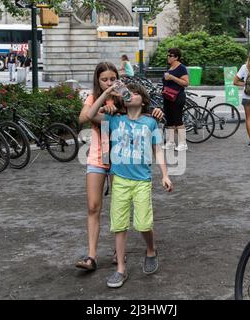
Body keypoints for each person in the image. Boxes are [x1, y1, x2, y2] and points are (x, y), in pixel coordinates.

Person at [76, 62, 163, 272]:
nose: (109, 82)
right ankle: (91, 256)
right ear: (97, 80)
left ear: (118, 78)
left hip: (120, 159)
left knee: (120, 207)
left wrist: (156, 112)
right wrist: (104, 100)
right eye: (104, 79)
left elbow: (142, 111)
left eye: (112, 79)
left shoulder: (125, 96)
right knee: (93, 206)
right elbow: (83, 118)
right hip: (98, 156)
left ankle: (118, 252)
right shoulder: (93, 97)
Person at [85, 81, 173, 288]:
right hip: (120, 181)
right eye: (128, 93)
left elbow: (158, 149)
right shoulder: (114, 120)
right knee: (119, 225)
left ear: (143, 101)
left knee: (143, 224)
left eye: (135, 93)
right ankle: (120, 269)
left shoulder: (150, 123)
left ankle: (151, 249)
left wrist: (165, 175)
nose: (131, 95)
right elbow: (90, 115)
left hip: (142, 180)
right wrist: (107, 92)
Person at [162, 48, 189, 151]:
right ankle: (171, 142)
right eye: (168, 55)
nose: (168, 57)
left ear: (176, 57)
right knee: (169, 120)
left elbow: (186, 83)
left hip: (177, 97)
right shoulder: (170, 67)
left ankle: (183, 143)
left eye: (170, 55)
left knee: (178, 120)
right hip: (168, 97)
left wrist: (172, 77)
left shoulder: (181, 68)